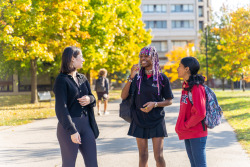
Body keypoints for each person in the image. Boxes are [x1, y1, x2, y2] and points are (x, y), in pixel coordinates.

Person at [121, 46, 174, 167]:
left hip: (157, 119)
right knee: (143, 155)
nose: (142, 59)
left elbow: (169, 100)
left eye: (146, 56)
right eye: (141, 56)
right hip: (138, 119)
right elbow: (123, 96)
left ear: (153, 58)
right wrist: (131, 77)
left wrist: (154, 104)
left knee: (158, 156)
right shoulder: (137, 78)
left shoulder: (161, 78)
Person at [53, 46, 98, 167]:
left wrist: (90, 99)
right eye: (81, 57)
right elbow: (61, 108)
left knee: (93, 164)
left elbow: (93, 98)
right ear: (72, 59)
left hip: (86, 126)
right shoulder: (61, 80)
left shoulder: (82, 78)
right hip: (69, 128)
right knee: (69, 164)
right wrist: (72, 131)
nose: (83, 60)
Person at [175, 57, 207, 167]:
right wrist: (184, 127)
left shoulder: (196, 87)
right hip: (188, 131)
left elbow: (200, 112)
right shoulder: (186, 85)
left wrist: (185, 125)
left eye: (180, 66)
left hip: (196, 132)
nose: (177, 68)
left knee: (199, 165)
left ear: (187, 69)